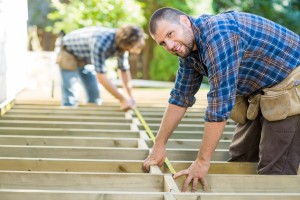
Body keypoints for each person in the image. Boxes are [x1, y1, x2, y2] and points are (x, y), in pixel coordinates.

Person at [143, 7, 300, 192]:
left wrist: (202, 161)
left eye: (170, 34)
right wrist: (159, 145)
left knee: (274, 170)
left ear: (185, 21)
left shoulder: (218, 36)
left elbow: (219, 106)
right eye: (163, 43)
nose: (169, 45)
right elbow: (180, 97)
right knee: (240, 158)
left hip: (290, 83)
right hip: (258, 89)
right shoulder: (187, 51)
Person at [56, 25, 145, 110]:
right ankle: (69, 110)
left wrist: (130, 98)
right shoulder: (101, 43)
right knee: (70, 99)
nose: (131, 50)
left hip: (85, 58)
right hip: (68, 52)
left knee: (94, 98)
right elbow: (101, 78)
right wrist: (122, 100)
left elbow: (124, 71)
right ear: (126, 42)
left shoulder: (122, 47)